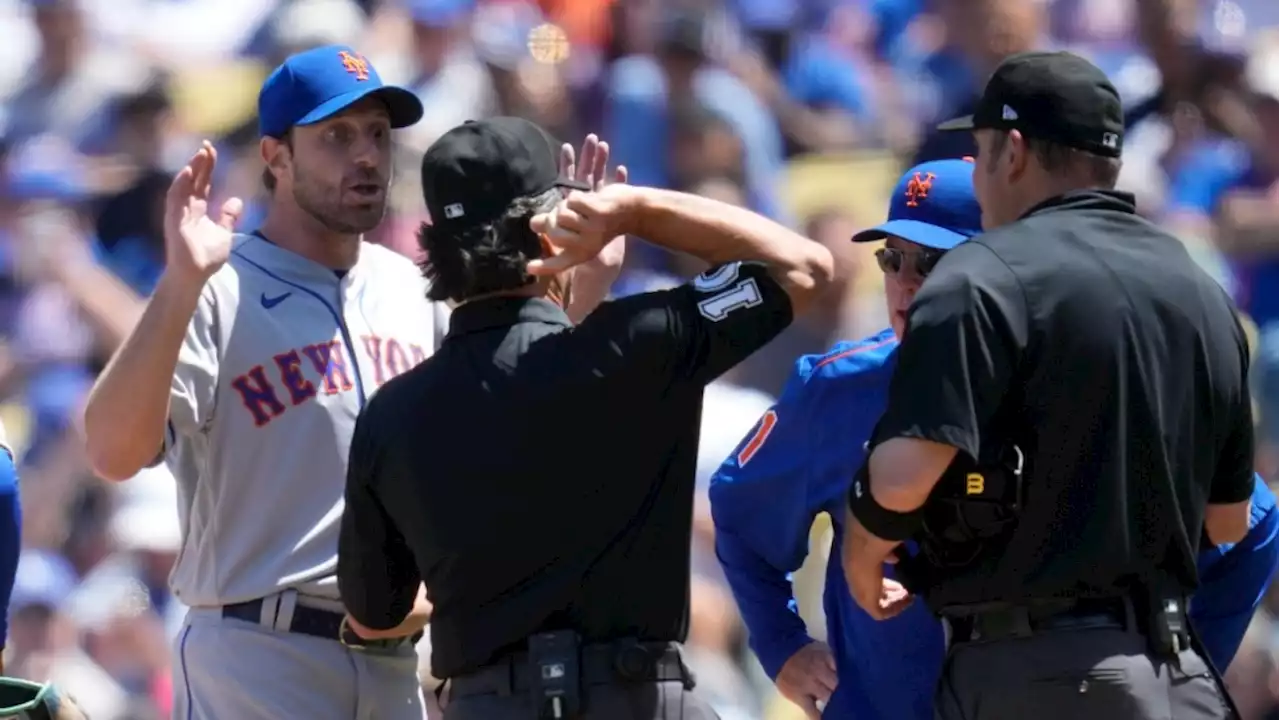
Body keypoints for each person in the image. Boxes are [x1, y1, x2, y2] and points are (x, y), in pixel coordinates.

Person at [79, 47, 616, 720]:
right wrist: (181, 283)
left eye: (377, 134)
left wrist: (582, 293)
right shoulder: (216, 286)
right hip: (257, 653)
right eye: (336, 135)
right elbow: (111, 451)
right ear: (276, 156)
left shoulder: (417, 290)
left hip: (397, 662)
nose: (366, 156)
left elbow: (510, 432)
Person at [710, 159, 1280, 720]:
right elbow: (739, 509)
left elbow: (1253, 526)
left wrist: (1188, 660)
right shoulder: (841, 387)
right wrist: (782, 645)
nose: (906, 283)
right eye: (892, 258)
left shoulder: (1077, 383)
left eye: (934, 261)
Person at [336, 115, 833, 720]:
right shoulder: (639, 344)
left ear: (436, 243)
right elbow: (805, 266)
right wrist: (634, 212)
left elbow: (374, 614)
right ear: (554, 226)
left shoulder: (392, 414)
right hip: (640, 698)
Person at [840, 51, 1253, 720]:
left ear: (1015, 152)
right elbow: (1229, 519)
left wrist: (862, 551)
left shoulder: (979, 278)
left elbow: (900, 482)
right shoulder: (1200, 289)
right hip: (1176, 677)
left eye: (980, 151)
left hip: (1034, 676)